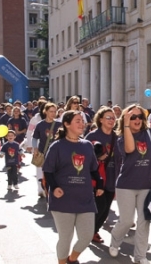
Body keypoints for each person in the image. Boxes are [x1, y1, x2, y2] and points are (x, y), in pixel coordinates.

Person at [43, 110, 104, 264]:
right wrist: (54, 187)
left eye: (82, 121)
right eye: (77, 121)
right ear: (67, 124)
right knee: (66, 238)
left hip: (85, 199)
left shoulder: (87, 146)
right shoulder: (57, 146)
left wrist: (100, 183)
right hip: (62, 199)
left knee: (86, 236)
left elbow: (93, 169)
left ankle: (72, 259)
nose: (82, 124)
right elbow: (48, 170)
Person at [109, 104, 151, 264]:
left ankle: (140, 256)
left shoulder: (149, 132)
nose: (137, 119)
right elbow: (130, 148)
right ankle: (115, 241)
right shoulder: (121, 136)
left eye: (140, 116)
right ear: (126, 119)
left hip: (146, 184)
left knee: (143, 221)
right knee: (126, 220)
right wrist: (126, 125)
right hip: (126, 184)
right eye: (133, 117)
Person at [85, 106, 119, 244]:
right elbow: (84, 155)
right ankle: (89, 232)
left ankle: (93, 231)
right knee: (101, 206)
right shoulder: (92, 136)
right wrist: (97, 157)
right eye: (108, 117)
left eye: (114, 118)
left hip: (112, 176)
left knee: (105, 211)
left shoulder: (117, 136)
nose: (112, 120)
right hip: (97, 178)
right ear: (100, 120)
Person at [32, 103, 62, 197]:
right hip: (43, 153)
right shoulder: (40, 125)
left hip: (57, 154)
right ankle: (45, 190)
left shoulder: (59, 124)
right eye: (51, 111)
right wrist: (35, 148)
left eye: (55, 111)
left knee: (55, 174)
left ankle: (53, 191)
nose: (53, 113)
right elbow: (35, 138)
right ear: (46, 112)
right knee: (44, 174)